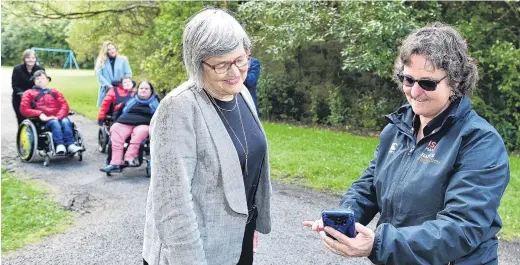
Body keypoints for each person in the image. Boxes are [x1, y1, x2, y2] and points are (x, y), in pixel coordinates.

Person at [303, 23, 510, 265]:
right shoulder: (397, 128)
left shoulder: (479, 141)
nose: (414, 91)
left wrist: (378, 243)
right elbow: (369, 185)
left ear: (456, 82)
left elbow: (462, 228)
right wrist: (344, 219)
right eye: (408, 79)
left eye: (428, 83)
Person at [142, 8, 271, 265]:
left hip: (235, 241)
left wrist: (250, 226)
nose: (235, 72)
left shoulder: (240, 93)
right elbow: (171, 204)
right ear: (197, 63)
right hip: (192, 252)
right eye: (222, 64)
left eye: (241, 60)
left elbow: (247, 167)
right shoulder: (178, 108)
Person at [100, 80, 159, 173]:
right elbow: (119, 112)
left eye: (146, 89)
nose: (143, 90)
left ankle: (129, 158)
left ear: (151, 91)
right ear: (137, 90)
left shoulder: (155, 103)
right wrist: (113, 121)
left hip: (143, 124)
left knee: (140, 132)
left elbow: (159, 119)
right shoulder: (131, 100)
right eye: (141, 88)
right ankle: (115, 163)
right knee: (115, 128)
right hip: (126, 122)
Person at [19, 70, 83, 155]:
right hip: (42, 120)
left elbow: (65, 106)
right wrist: (40, 114)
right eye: (37, 78)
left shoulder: (55, 92)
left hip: (58, 116)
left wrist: (58, 116)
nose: (40, 80)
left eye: (43, 78)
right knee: (55, 123)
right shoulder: (28, 93)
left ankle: (70, 144)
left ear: (47, 80)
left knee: (66, 121)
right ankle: (59, 145)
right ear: (34, 81)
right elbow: (24, 109)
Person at [11, 49, 45, 125]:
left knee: (36, 120)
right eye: (28, 58)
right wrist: (24, 94)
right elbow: (15, 85)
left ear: (35, 59)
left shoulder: (40, 69)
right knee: (22, 121)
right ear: (24, 59)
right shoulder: (17, 69)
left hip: (36, 99)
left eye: (33, 58)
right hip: (20, 99)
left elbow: (43, 83)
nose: (31, 60)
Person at [95, 41, 132, 107]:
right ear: (105, 51)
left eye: (113, 48)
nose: (112, 51)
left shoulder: (123, 59)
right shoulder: (101, 61)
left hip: (121, 89)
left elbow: (128, 73)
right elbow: (99, 75)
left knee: (120, 109)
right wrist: (109, 86)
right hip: (107, 90)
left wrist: (122, 84)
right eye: (109, 49)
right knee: (106, 112)